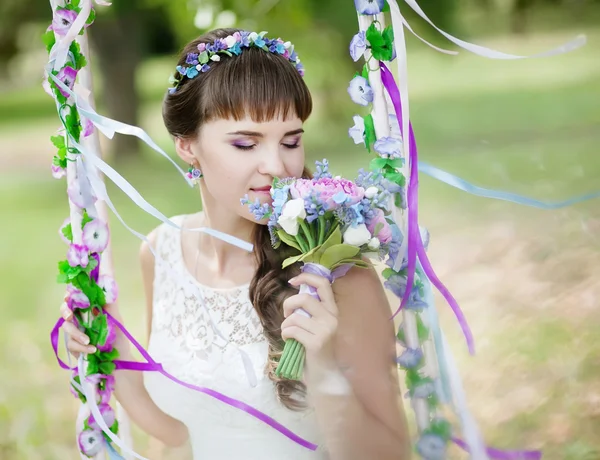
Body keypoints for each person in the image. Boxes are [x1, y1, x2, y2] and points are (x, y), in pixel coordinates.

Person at [60, 27, 410, 460]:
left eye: (291, 141)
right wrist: (115, 355)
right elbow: (181, 435)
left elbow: (392, 451)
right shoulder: (160, 252)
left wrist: (324, 372)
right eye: (245, 143)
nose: (277, 166)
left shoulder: (336, 273)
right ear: (187, 145)